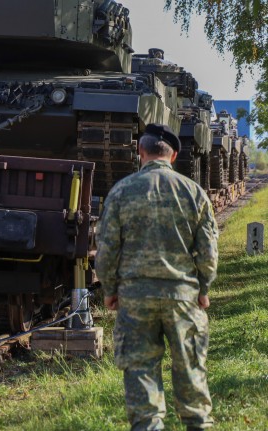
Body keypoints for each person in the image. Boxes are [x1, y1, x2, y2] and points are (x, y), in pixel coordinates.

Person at [95, 123, 218, 431]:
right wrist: (203, 288)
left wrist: (110, 289)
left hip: (135, 299)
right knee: (190, 369)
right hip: (183, 297)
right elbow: (208, 251)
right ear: (174, 155)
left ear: (140, 152)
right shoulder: (194, 193)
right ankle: (198, 424)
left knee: (140, 371)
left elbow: (106, 249)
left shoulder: (121, 191)